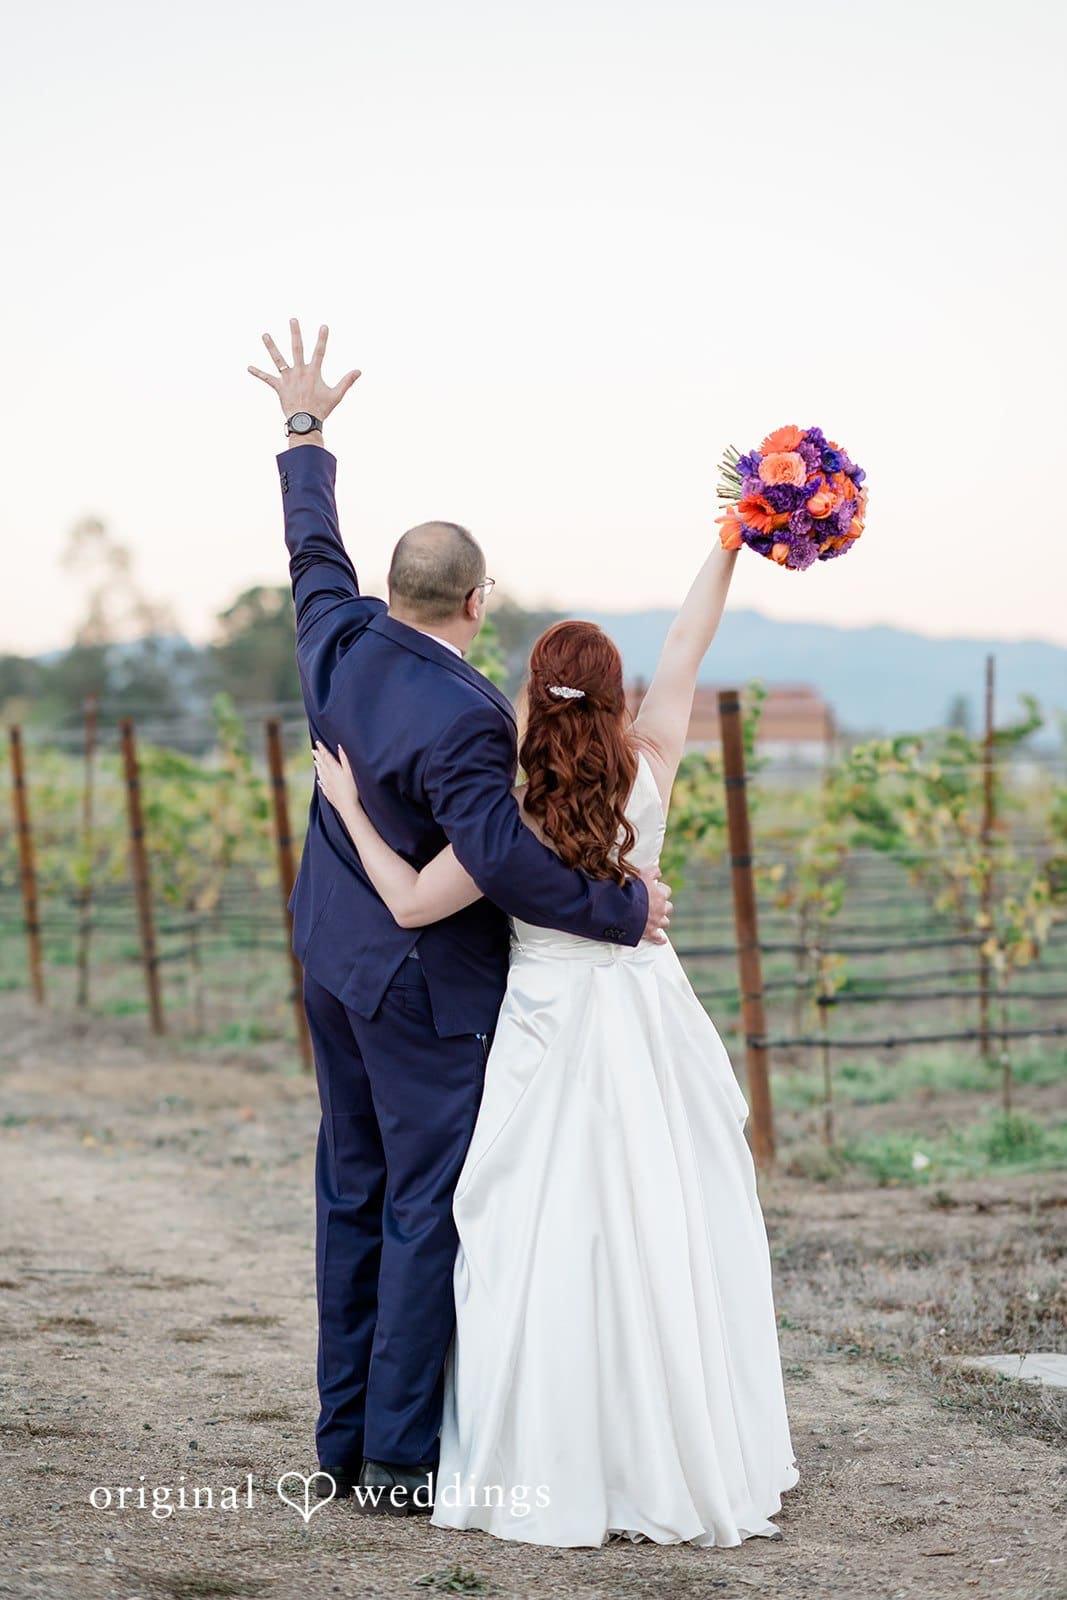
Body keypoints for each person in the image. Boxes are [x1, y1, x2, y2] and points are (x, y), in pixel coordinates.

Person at [248, 321, 672, 1509]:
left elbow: (307, 547)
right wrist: (620, 904)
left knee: (349, 1189)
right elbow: (511, 866)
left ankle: (335, 1444)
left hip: (331, 960)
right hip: (423, 993)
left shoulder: (334, 643)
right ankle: (392, 1456)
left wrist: (304, 430)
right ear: (478, 599)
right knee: (424, 1203)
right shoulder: (469, 716)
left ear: (395, 591)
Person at [313, 514, 800, 1546]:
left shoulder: (511, 810)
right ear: (618, 700)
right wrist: (728, 539)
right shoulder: (655, 759)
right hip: (647, 1021)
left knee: (528, 1234)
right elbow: (686, 644)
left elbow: (405, 903)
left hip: (540, 1028)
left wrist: (348, 809)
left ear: (531, 694)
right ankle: (675, 1428)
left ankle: (534, 1440)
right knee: (665, 1219)